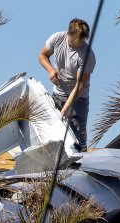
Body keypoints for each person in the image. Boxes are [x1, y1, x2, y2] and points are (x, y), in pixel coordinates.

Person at [38, 18, 96, 152]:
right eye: (78, 40)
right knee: (53, 134)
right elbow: (42, 55)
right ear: (69, 34)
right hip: (58, 94)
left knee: (78, 141)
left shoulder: (87, 55)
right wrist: (51, 70)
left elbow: (80, 85)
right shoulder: (57, 38)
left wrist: (66, 109)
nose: (81, 43)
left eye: (83, 41)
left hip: (78, 99)